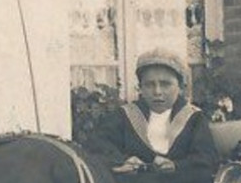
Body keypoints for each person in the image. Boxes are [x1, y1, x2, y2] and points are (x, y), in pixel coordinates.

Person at [81, 49, 219, 174]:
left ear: (181, 87)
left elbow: (206, 159)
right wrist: (123, 161)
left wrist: (177, 166)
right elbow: (98, 147)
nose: (157, 92)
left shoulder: (193, 118)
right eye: (149, 85)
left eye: (165, 84)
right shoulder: (125, 116)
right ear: (140, 88)